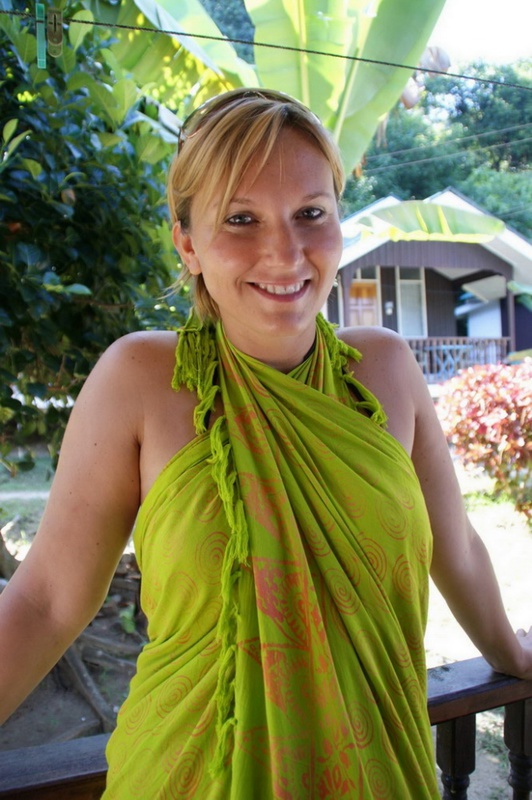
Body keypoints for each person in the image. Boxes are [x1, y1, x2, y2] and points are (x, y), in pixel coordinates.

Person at [0, 88, 531, 799]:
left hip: (381, 773)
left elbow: (454, 546)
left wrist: (512, 653)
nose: (284, 251)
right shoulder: (141, 381)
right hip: (190, 775)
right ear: (188, 244)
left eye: (310, 213)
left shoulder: (388, 371)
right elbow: (45, 603)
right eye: (240, 219)